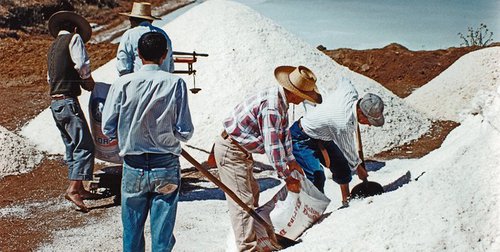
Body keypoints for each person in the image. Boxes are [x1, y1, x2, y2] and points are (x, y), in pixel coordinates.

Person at [101, 32, 194, 252]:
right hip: (166, 166)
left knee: (131, 233)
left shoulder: (122, 83)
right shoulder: (175, 83)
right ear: (165, 56)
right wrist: (167, 134)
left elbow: (107, 128)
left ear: (138, 54)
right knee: (162, 236)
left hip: (133, 166)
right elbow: (185, 130)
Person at [214, 65, 322, 251]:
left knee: (252, 195)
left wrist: (292, 161)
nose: (301, 101)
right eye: (302, 96)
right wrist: (286, 177)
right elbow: (272, 146)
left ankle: (252, 238)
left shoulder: (281, 101)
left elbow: (284, 135)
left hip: (242, 151)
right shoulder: (272, 105)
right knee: (242, 202)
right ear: (293, 92)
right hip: (231, 150)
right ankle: (246, 248)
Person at [290, 77, 385, 207]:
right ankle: (314, 210)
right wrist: (359, 168)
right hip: (301, 137)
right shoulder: (343, 123)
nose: (369, 125)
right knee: (316, 176)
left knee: (342, 168)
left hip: (323, 134)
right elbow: (348, 151)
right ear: (360, 112)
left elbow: (344, 80)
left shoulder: (350, 93)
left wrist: (331, 102)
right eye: (369, 121)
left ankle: (346, 201)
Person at [47, 11, 97, 213]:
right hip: (68, 101)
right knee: (85, 146)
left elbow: (50, 79)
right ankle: (74, 188)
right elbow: (81, 63)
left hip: (55, 103)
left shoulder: (52, 48)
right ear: (75, 28)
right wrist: (87, 80)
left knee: (71, 146)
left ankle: (81, 187)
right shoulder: (74, 39)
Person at [116, 2, 174, 76]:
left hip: (138, 82)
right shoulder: (163, 34)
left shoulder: (129, 34)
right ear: (151, 20)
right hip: (164, 81)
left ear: (132, 20)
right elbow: (171, 66)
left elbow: (123, 66)